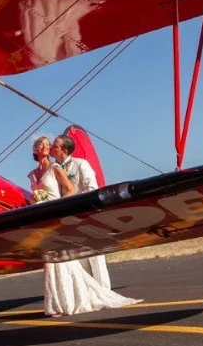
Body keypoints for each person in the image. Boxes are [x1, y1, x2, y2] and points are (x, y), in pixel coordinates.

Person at [40, 134, 143, 316]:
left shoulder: (81, 164)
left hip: (85, 217)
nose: (52, 148)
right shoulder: (53, 168)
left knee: (95, 259)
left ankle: (105, 295)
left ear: (63, 150)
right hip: (66, 221)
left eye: (55, 145)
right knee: (78, 261)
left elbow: (91, 188)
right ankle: (85, 297)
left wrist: (85, 211)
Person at [28, 136, 74, 203]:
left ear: (49, 149)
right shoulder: (32, 174)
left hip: (54, 210)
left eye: (47, 144)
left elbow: (71, 190)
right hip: (39, 210)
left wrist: (58, 205)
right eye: (41, 144)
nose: (45, 146)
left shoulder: (54, 168)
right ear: (35, 149)